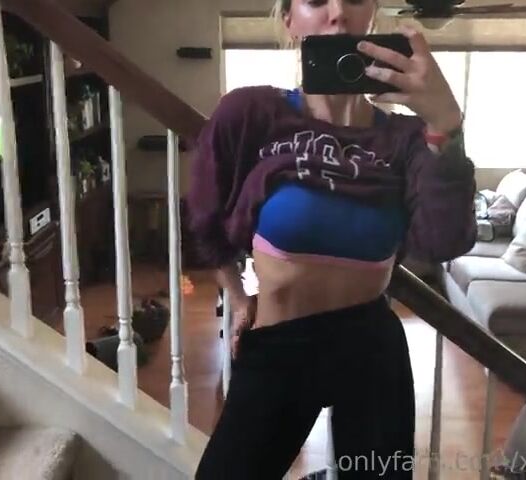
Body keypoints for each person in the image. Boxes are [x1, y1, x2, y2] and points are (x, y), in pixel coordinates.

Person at [186, 0, 477, 477]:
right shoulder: (253, 113)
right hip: (278, 344)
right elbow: (205, 214)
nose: (338, 14)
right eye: (317, 1)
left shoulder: (406, 138)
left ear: (372, 14)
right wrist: (237, 297)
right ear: (288, 20)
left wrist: (446, 126)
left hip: (370, 345)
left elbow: (443, 241)